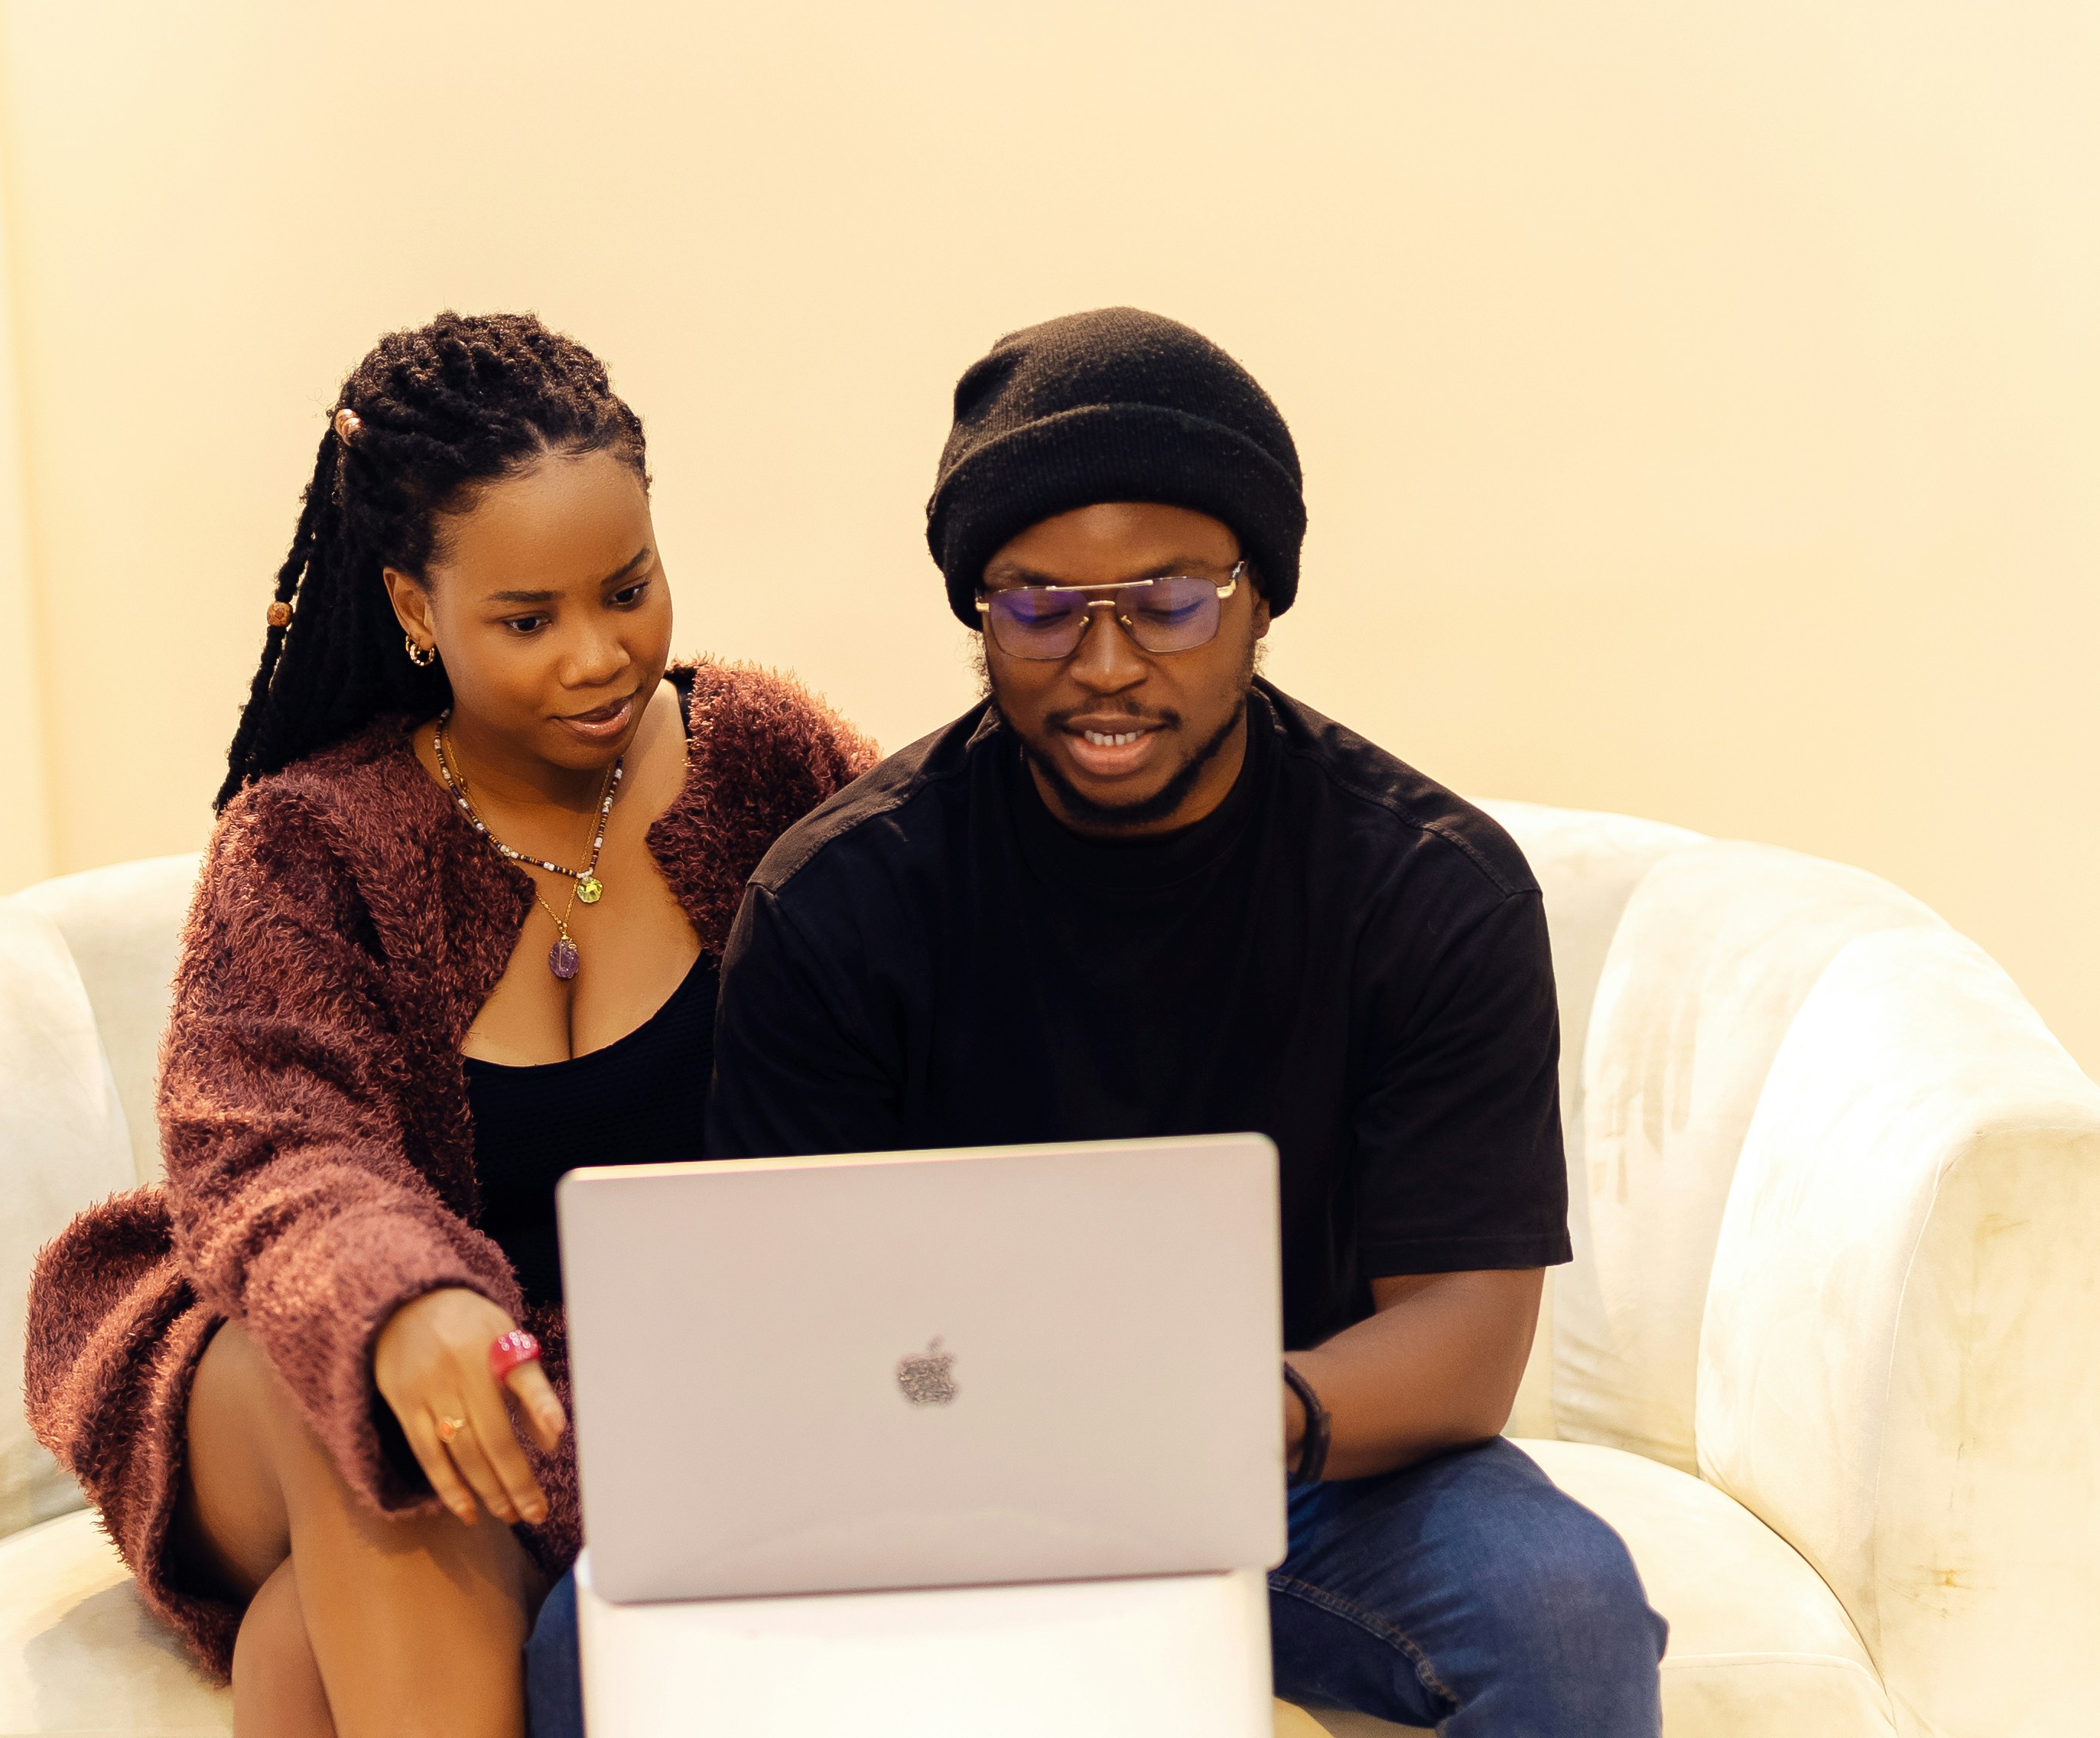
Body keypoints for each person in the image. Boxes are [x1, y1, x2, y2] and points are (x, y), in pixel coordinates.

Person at [706, 308, 1669, 1733]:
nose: (1104, 664)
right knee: (576, 1641)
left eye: (1168, 602)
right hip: (940, 1474)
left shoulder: (1426, 890)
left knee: (1567, 1609)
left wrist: (1236, 1415)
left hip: (1302, 1465)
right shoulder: (839, 901)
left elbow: (1468, 1338)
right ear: (982, 610)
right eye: (1041, 606)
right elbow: (780, 1321)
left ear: (1258, 598)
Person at [23, 311, 873, 1738]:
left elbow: (932, 990)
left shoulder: (767, 760)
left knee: (308, 1645)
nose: (601, 657)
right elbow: (272, 1140)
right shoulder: (316, 839)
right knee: (366, 1409)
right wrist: (402, 1304)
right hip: (303, 1354)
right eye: (529, 622)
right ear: (415, 607)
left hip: (608, 1378)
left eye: (630, 587)